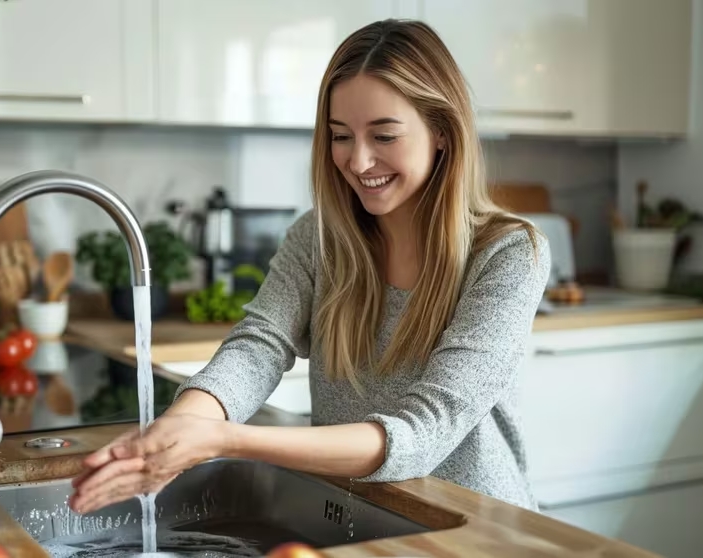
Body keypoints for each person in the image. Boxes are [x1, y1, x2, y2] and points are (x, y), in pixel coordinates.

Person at [69, 18, 550, 515]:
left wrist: (224, 439)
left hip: (474, 529)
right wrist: (181, 426)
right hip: (359, 515)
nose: (359, 161)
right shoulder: (318, 238)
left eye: (384, 136)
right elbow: (259, 346)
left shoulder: (508, 253)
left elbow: (422, 433)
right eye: (341, 136)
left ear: (443, 133)